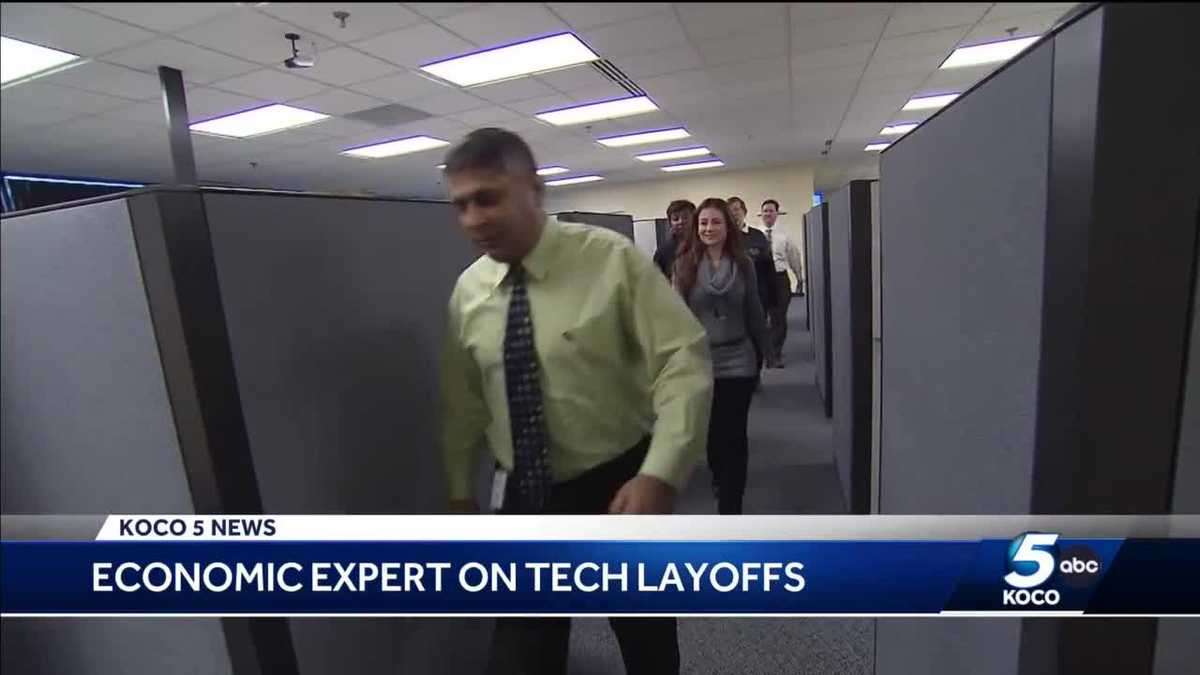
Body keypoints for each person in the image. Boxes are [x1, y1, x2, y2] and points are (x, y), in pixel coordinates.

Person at [439, 128, 713, 675]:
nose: (472, 219)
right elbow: (464, 403)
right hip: (524, 495)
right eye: (461, 205)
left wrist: (660, 472)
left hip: (618, 484)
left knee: (647, 641)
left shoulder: (610, 260)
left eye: (488, 198)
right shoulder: (468, 292)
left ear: (534, 190)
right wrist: (460, 494)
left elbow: (682, 362)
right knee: (520, 655)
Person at [672, 198, 772, 515]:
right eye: (703, 222)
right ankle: (719, 477)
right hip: (701, 362)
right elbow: (677, 318)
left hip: (739, 358)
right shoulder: (684, 265)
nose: (709, 228)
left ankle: (732, 507)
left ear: (727, 227)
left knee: (734, 434)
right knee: (714, 434)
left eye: (716, 222)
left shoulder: (743, 264)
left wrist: (766, 350)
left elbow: (754, 309)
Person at [727, 196, 777, 379]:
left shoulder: (757, 236)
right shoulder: (722, 237)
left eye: (737, 209)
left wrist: (772, 298)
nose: (734, 214)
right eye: (730, 210)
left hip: (757, 295)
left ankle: (755, 374)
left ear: (744, 212)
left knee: (756, 335)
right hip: (730, 299)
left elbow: (769, 267)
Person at [760, 199, 804, 367]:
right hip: (760, 279)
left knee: (778, 318)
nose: (768, 214)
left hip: (779, 279)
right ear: (761, 213)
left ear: (777, 213)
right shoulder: (756, 235)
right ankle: (763, 351)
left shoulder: (784, 236)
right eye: (765, 211)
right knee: (760, 317)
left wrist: (799, 278)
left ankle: (775, 354)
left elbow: (794, 258)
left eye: (771, 211)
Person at [653, 199, 695, 280]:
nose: (681, 222)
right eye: (676, 219)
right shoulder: (663, 251)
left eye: (685, 217)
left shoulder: (704, 245)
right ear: (670, 223)